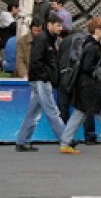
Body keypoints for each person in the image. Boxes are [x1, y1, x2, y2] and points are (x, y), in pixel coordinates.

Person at [15, 13, 67, 152]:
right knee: (52, 111)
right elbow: (36, 61)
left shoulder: (47, 39)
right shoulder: (44, 40)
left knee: (33, 112)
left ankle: (22, 140)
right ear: (49, 24)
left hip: (39, 79)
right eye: (58, 25)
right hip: (41, 80)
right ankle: (66, 139)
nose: (60, 28)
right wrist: (46, 76)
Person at [64, 17, 101, 153]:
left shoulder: (87, 44)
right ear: (97, 30)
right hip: (90, 85)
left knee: (81, 112)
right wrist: (100, 71)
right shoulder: (93, 47)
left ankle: (65, 141)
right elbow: (87, 67)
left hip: (84, 85)